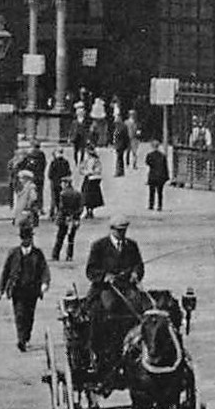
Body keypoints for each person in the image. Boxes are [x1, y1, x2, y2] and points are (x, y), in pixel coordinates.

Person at [85, 213, 146, 372]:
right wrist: (104, 277)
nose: (122, 234)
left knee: (139, 309)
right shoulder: (99, 246)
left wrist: (135, 274)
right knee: (104, 310)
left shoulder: (132, 246)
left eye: (124, 230)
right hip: (105, 289)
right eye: (119, 231)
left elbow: (139, 266)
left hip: (127, 287)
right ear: (111, 229)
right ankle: (98, 350)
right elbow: (90, 270)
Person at [0, 224, 51, 352]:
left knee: (29, 316)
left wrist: (44, 283)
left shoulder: (37, 254)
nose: (26, 241)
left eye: (28, 238)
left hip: (32, 290)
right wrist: (1, 289)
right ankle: (21, 339)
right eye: (23, 238)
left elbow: (44, 270)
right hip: (17, 290)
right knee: (20, 314)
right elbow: (5, 271)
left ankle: (26, 336)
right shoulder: (14, 253)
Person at [52, 179, 85, 261]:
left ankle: (56, 255)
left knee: (60, 237)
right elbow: (81, 207)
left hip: (64, 218)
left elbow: (61, 207)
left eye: (62, 183)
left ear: (66, 184)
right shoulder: (77, 193)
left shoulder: (63, 194)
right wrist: (75, 215)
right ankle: (69, 255)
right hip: (74, 219)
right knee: (71, 238)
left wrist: (66, 214)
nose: (61, 185)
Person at [47, 148, 73, 220]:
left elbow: (50, 174)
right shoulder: (66, 162)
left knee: (54, 198)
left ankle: (52, 214)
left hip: (55, 183)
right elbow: (69, 172)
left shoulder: (53, 162)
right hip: (63, 183)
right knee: (63, 198)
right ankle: (63, 213)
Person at [80, 150, 104, 220]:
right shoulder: (96, 161)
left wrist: (87, 172)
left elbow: (87, 170)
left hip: (91, 179)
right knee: (92, 196)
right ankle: (90, 210)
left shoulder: (91, 161)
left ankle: (89, 211)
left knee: (87, 196)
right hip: (94, 179)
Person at [145, 145, 170, 211]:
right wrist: (167, 177)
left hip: (152, 176)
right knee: (160, 192)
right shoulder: (162, 155)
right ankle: (159, 205)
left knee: (151, 192)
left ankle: (151, 205)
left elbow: (147, 163)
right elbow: (165, 167)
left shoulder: (149, 155)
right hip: (160, 176)